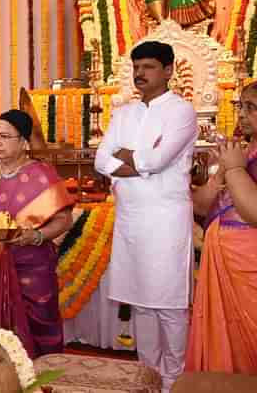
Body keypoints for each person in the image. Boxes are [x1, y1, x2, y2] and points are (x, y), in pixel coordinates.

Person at [94, 41, 198, 392]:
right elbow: (100, 161)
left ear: (168, 71)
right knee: (141, 304)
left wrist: (126, 158)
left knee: (169, 306)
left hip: (166, 219)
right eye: (137, 67)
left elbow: (158, 160)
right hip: (131, 219)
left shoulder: (182, 112)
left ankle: (175, 382)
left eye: (149, 67)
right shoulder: (124, 113)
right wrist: (138, 160)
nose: (140, 74)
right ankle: (149, 379)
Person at [0, 110, 74, 358]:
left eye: (5, 136)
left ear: (24, 142)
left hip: (32, 267)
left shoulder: (42, 174)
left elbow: (64, 220)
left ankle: (41, 380)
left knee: (38, 326)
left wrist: (36, 236)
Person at [186, 82, 257, 374]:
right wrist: (217, 174)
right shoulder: (242, 151)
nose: (242, 114)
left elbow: (253, 212)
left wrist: (236, 169)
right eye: (240, 106)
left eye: (251, 107)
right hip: (224, 260)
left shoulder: (240, 158)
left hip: (247, 264)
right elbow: (203, 206)